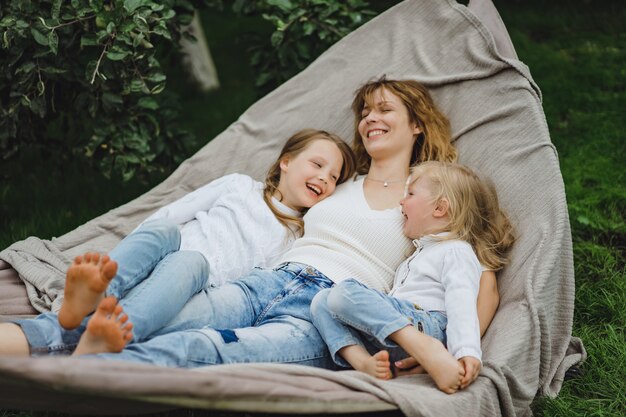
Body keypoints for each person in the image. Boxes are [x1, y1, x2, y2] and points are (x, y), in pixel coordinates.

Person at [1, 78, 500, 372]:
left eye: (385, 109)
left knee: (198, 348)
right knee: (127, 321)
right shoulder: (337, 181)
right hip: (262, 285)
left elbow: (479, 280)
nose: (370, 117)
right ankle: (43, 338)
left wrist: (434, 347)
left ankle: (78, 377)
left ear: (417, 124)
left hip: (320, 314)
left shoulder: (430, 195)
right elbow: (269, 215)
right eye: (366, 111)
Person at [0, 128, 356, 355]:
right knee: (163, 231)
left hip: (193, 282)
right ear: (286, 162)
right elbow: (172, 214)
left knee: (192, 261)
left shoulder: (298, 233)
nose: (324, 178)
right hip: (163, 250)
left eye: (333, 177)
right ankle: (94, 296)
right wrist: (138, 243)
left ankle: (113, 330)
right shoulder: (238, 185)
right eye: (317, 164)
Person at [310, 161, 515, 394]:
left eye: (410, 193)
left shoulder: (455, 250)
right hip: (397, 339)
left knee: (344, 292)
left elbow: (461, 301)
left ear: (439, 208)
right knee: (322, 300)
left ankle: (430, 350)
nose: (401, 201)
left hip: (427, 326)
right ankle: (364, 364)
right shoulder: (419, 254)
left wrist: (465, 351)